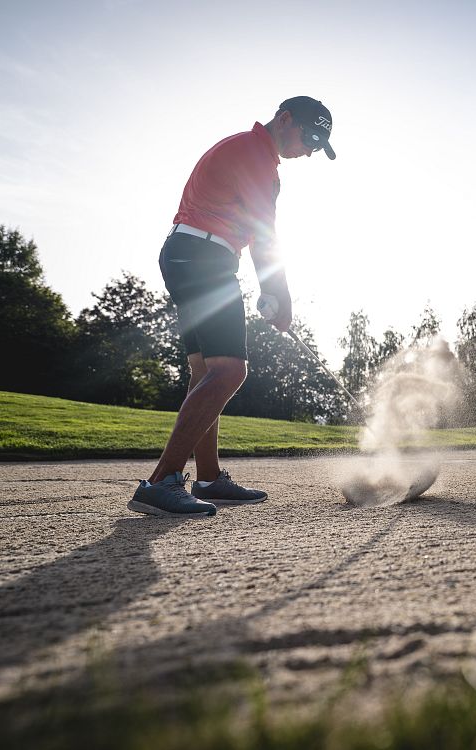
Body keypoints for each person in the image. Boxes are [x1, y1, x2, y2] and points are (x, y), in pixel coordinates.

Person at [128, 96, 336, 518]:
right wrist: (279, 297)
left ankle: (208, 478)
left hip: (191, 254)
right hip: (203, 256)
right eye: (309, 137)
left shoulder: (252, 152)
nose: (310, 150)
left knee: (206, 371)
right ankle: (160, 482)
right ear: (285, 119)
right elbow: (264, 234)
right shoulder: (254, 154)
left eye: (318, 145)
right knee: (231, 370)